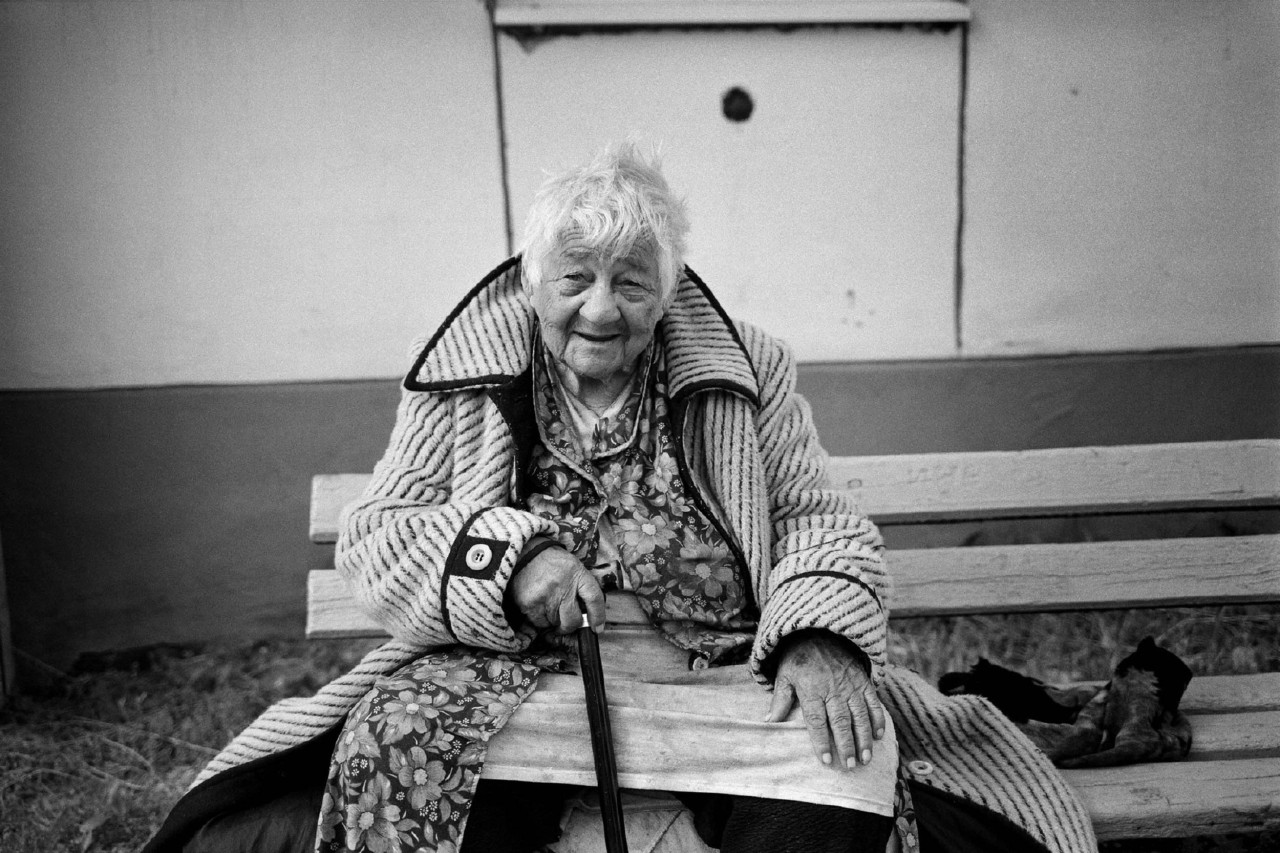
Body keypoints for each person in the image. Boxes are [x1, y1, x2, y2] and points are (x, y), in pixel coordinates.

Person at [145, 145, 1096, 853]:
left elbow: (815, 517)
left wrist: (815, 637)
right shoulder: (470, 372)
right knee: (407, 755)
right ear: (533, 282)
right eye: (575, 279)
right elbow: (381, 532)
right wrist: (510, 563)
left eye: (631, 283)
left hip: (724, 678)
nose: (600, 308)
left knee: (841, 771)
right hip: (518, 682)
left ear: (667, 292)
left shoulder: (744, 369)